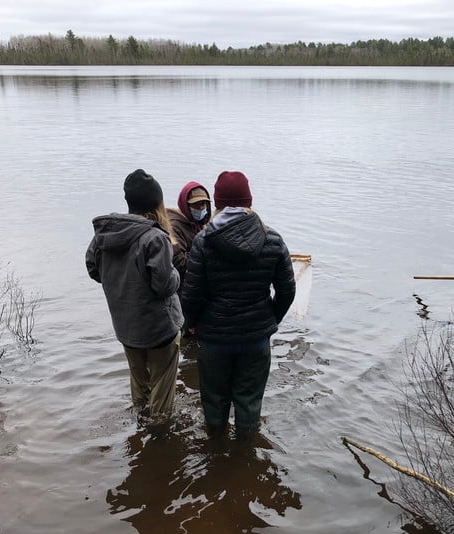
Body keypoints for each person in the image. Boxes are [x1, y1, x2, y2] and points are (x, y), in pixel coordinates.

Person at [180, 171, 296, 440]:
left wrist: (193, 324)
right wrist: (270, 320)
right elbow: (288, 290)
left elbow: (192, 295)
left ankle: (216, 452)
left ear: (217, 203)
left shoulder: (203, 241)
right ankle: (246, 452)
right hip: (256, 338)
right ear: (249, 202)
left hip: (215, 338)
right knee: (249, 401)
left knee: (214, 400)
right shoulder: (273, 240)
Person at [85, 168, 184, 421]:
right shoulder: (155, 238)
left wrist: (120, 284)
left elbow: (94, 269)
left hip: (127, 328)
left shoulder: (104, 235)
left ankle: (140, 431)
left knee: (139, 386)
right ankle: (159, 441)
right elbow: (164, 285)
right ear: (156, 204)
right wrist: (177, 274)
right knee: (162, 395)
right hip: (160, 329)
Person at [169, 181, 212, 290]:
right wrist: (206, 252)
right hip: (183, 289)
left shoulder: (202, 224)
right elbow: (180, 264)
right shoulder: (174, 227)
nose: (201, 207)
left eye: (204, 203)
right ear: (186, 205)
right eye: (196, 204)